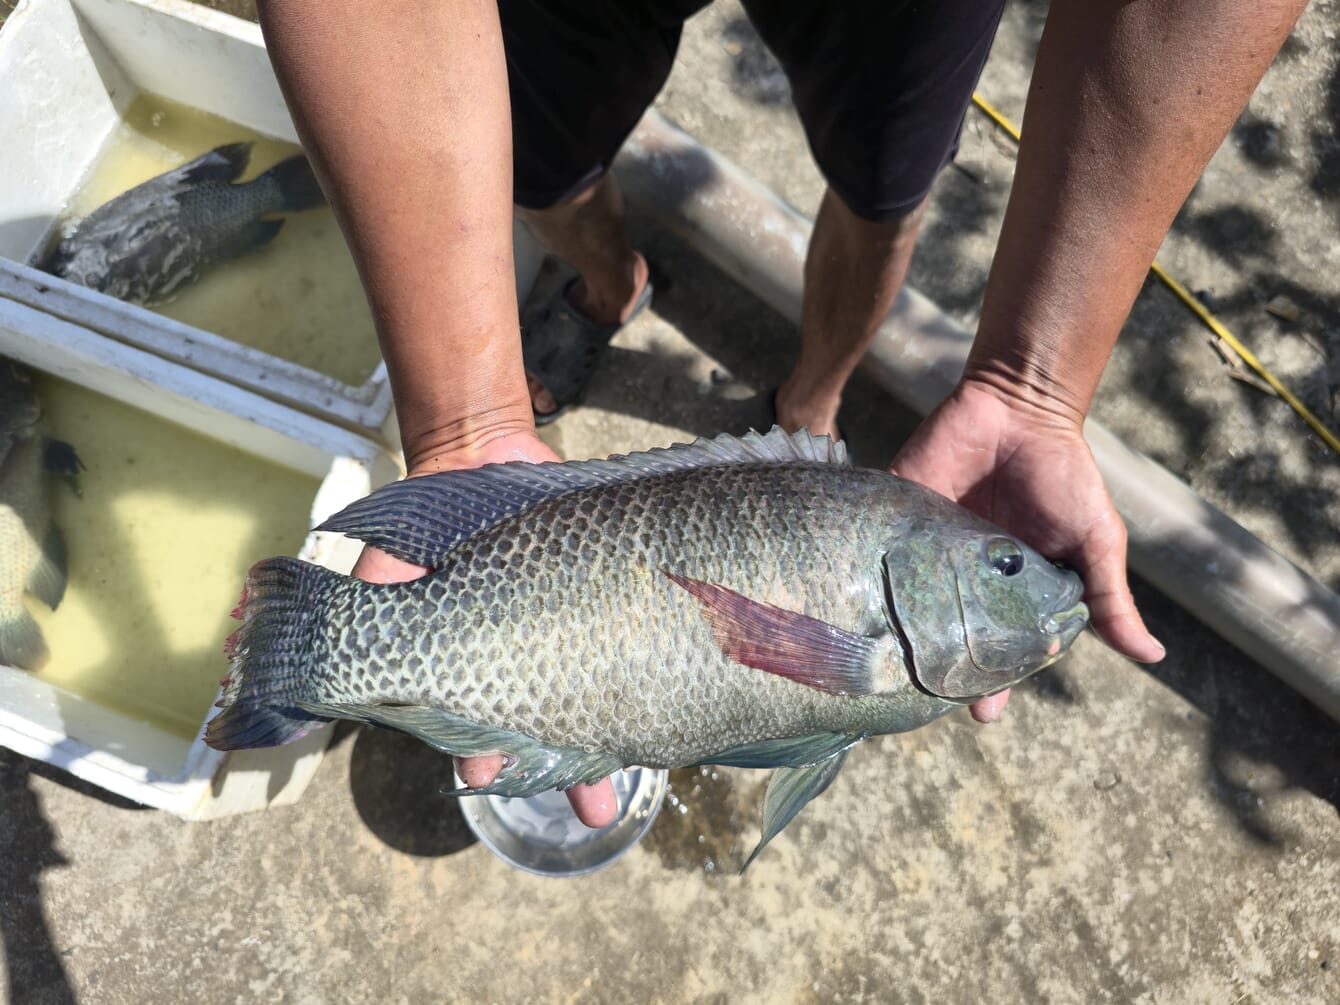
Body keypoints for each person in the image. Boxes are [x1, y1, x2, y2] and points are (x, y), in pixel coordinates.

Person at [254, 0, 1305, 827]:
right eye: (1000, 564)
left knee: (883, 190)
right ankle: (612, 286)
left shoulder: (884, 637)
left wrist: (1033, 381)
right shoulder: (878, 653)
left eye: (1006, 568)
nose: (1029, 579)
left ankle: (812, 394)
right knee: (551, 155)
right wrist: (460, 417)